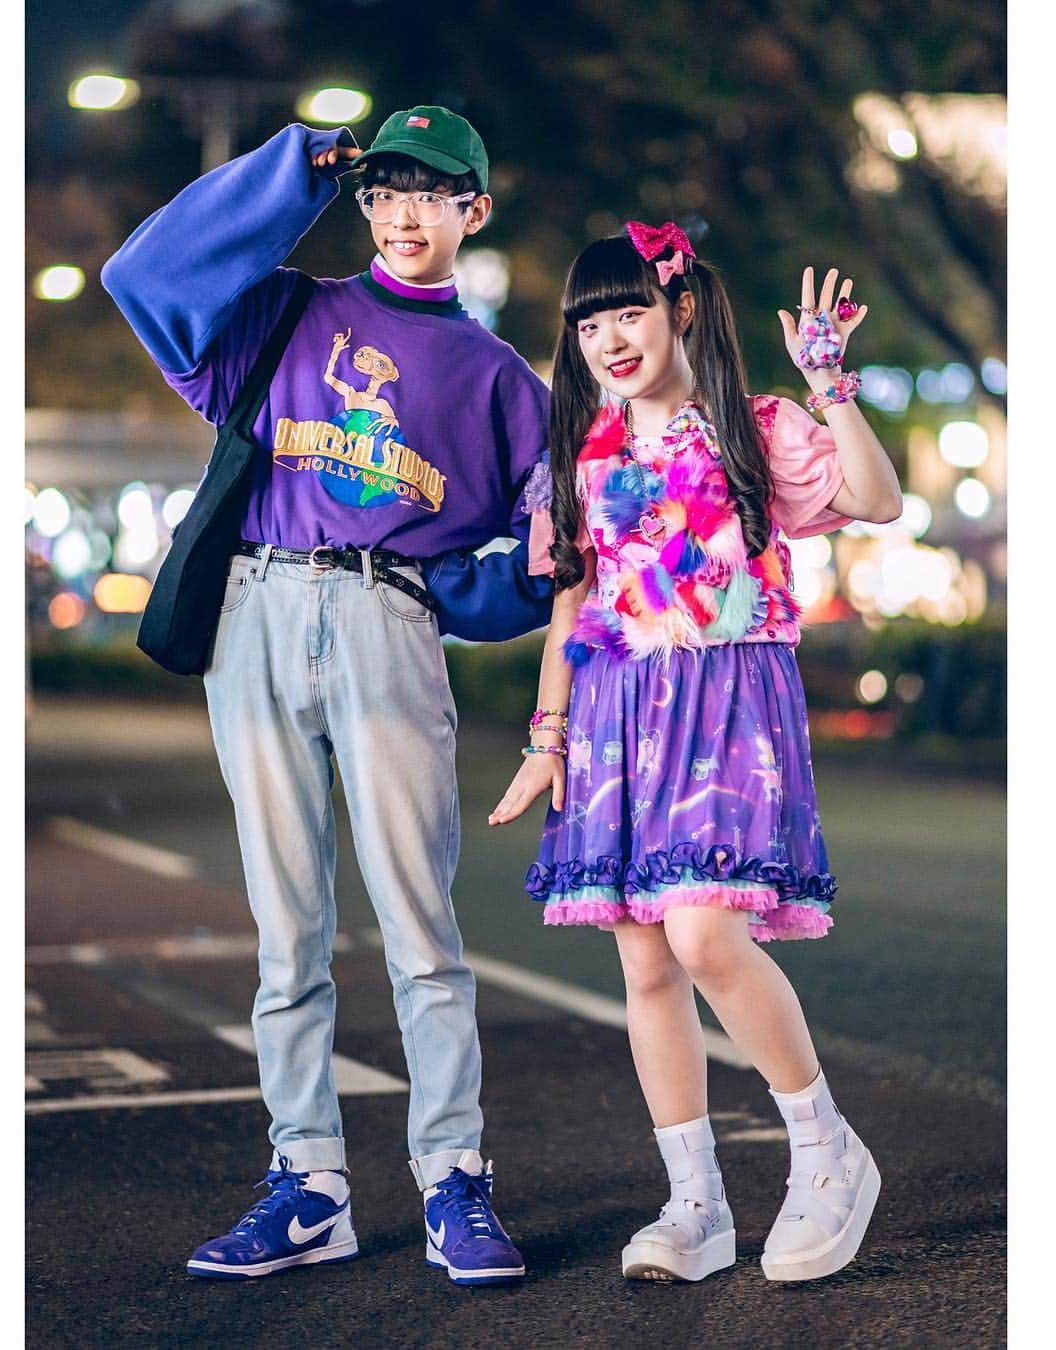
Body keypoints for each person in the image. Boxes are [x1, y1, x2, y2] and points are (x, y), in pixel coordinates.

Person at [102, 105, 555, 1284]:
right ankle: (308, 1184)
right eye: (385, 191)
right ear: (361, 202)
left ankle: (454, 1179)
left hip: (387, 619)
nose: (406, 214)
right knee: (284, 931)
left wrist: (499, 587)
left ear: (475, 208)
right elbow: (141, 271)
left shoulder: (505, 383)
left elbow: (524, 572)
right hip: (254, 608)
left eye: (433, 193)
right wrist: (289, 170)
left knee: (420, 927)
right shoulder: (287, 311)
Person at [489, 221, 902, 1284]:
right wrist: (550, 736)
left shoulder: (755, 429)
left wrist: (832, 384)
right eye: (587, 321)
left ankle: (827, 1154)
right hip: (617, 710)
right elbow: (573, 601)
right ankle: (696, 1206)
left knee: (705, 933)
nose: (607, 338)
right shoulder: (583, 460)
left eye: (628, 311)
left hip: (728, 705)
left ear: (680, 309)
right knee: (644, 960)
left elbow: (877, 500)